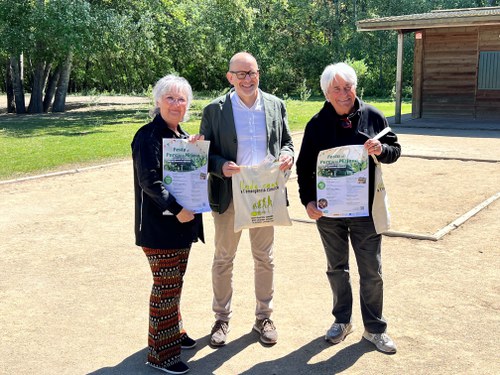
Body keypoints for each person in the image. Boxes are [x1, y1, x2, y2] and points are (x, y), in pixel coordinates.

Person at [296, 63, 401, 354]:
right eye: (337, 90)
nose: (344, 94)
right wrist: (308, 201)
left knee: (371, 272)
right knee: (336, 269)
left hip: (365, 212)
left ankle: (375, 329)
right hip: (329, 215)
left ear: (355, 88)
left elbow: (395, 150)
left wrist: (382, 150)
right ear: (326, 93)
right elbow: (304, 168)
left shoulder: (373, 117)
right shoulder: (316, 124)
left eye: (348, 87)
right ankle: (342, 322)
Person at [200, 52, 294, 347]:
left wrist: (288, 155)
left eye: (251, 72)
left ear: (259, 74)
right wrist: (219, 166)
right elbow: (204, 152)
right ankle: (221, 319)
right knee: (224, 259)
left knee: (264, 258)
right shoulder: (214, 109)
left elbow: (287, 141)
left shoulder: (275, 105)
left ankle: (263, 317)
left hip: (265, 195)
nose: (247, 79)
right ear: (230, 77)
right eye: (240, 74)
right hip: (230, 195)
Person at [131, 75, 204, 374]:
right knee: (166, 287)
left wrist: (195, 150)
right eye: (170, 98)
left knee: (174, 284)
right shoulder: (147, 136)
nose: (176, 104)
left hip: (180, 227)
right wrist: (177, 209)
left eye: (181, 99)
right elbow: (150, 181)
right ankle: (161, 354)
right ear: (158, 101)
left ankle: (173, 331)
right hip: (159, 228)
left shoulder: (180, 137)